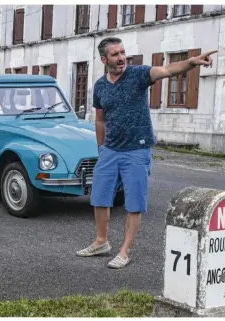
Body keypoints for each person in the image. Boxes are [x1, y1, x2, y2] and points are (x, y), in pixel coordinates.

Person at [76, 36, 217, 269]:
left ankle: (124, 251)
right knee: (99, 198)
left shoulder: (138, 74)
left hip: (136, 150)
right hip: (110, 150)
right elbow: (99, 120)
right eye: (115, 54)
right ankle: (101, 241)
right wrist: (101, 149)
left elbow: (167, 69)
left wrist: (191, 62)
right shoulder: (100, 86)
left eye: (122, 52)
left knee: (134, 203)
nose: (121, 58)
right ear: (104, 59)